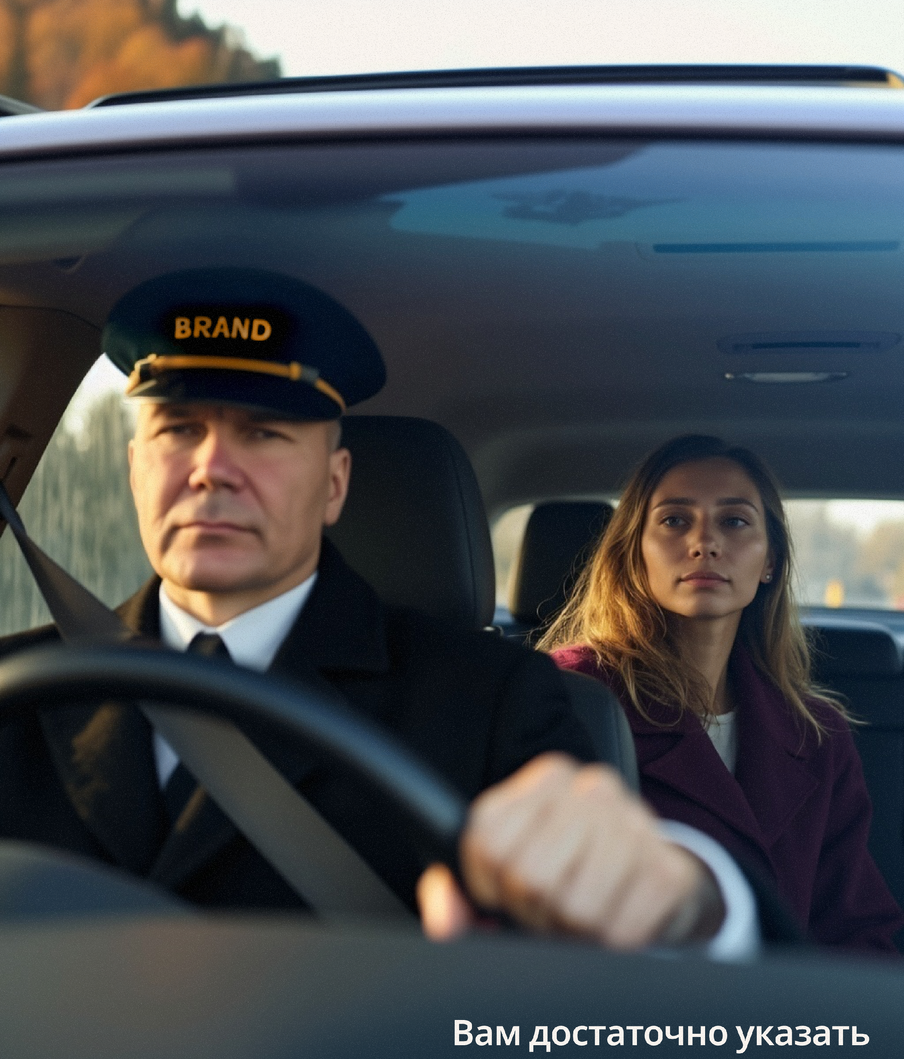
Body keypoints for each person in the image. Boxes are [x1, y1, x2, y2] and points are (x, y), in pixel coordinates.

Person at [0, 271, 749, 955]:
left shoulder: (490, 700)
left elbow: (603, 934)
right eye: (179, 429)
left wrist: (683, 898)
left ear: (334, 485)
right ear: (136, 468)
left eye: (263, 432)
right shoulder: (18, 688)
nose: (211, 470)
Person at [541, 434, 903, 955]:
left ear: (770, 560)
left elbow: (855, 934)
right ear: (635, 554)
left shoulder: (817, 735)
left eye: (734, 521)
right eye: (674, 520)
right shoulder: (571, 696)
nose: (703, 543)